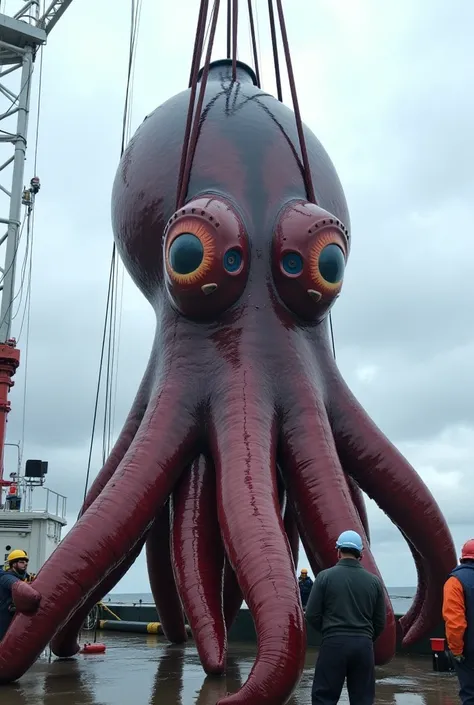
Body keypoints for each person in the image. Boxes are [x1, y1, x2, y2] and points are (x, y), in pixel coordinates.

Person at [305, 530, 386, 705]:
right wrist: (365, 636)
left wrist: (330, 630)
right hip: (363, 646)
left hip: (333, 643)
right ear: (361, 554)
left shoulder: (324, 577)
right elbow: (380, 621)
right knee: (363, 699)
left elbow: (311, 614)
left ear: (338, 551)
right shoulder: (374, 582)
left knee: (324, 698)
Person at [442, 538, 474, 704]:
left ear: (463, 558)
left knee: (470, 694)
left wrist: (456, 650)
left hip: (469, 651)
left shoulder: (455, 581)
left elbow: (455, 621)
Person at [0, 549, 39, 640]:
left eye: (26, 562)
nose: (25, 564)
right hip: (4, 616)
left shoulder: (27, 577)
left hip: (16, 618)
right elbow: (16, 585)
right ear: (13, 564)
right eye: (22, 562)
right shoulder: (5, 577)